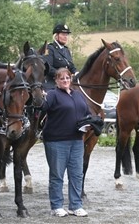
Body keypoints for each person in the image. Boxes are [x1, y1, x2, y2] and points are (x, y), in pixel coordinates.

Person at [41, 68, 89, 217]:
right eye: (62, 79)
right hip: (56, 141)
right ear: (56, 81)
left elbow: (86, 112)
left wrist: (89, 122)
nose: (65, 81)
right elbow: (41, 109)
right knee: (57, 175)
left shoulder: (78, 95)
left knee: (76, 174)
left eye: (67, 78)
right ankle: (56, 205)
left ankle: (75, 205)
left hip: (77, 140)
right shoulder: (52, 95)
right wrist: (40, 97)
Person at [43, 24, 77, 91]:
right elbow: (48, 68)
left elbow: (71, 66)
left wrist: (77, 73)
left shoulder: (66, 50)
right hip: (53, 83)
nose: (65, 37)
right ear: (56, 36)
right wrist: (62, 75)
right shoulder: (49, 48)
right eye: (63, 34)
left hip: (67, 82)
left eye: (66, 35)